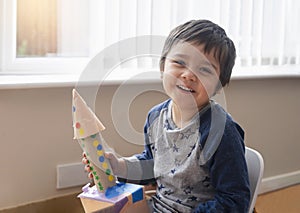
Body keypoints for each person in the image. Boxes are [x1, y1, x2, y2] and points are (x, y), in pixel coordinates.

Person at [83, 19, 250, 212]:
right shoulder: (156, 117)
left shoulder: (221, 131)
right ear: (163, 68)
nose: (188, 75)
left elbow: (235, 201)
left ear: (219, 85)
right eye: (179, 62)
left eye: (204, 69)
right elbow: (153, 164)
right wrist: (118, 166)